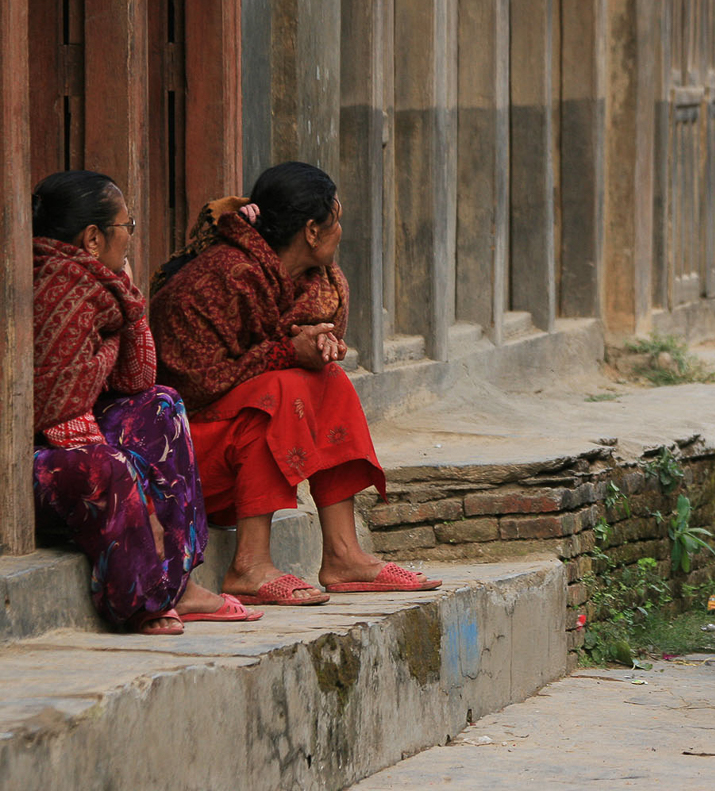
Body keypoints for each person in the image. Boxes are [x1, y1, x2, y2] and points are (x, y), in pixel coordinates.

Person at [149, 161, 441, 605]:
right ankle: (248, 564)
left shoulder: (319, 283)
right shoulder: (217, 278)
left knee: (328, 381)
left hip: (239, 450)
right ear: (311, 230)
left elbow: (304, 348)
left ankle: (343, 554)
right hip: (182, 461)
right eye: (335, 219)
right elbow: (192, 386)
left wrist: (320, 347)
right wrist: (288, 352)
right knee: (281, 391)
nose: (340, 230)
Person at [31, 170, 260, 635]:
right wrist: (123, 318)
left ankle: (180, 583)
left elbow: (139, 380)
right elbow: (55, 406)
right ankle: (141, 600)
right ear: (93, 238)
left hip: (77, 438)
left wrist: (130, 304)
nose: (130, 239)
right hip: (29, 460)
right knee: (110, 466)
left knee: (161, 406)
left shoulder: (102, 287)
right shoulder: (49, 284)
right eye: (126, 228)